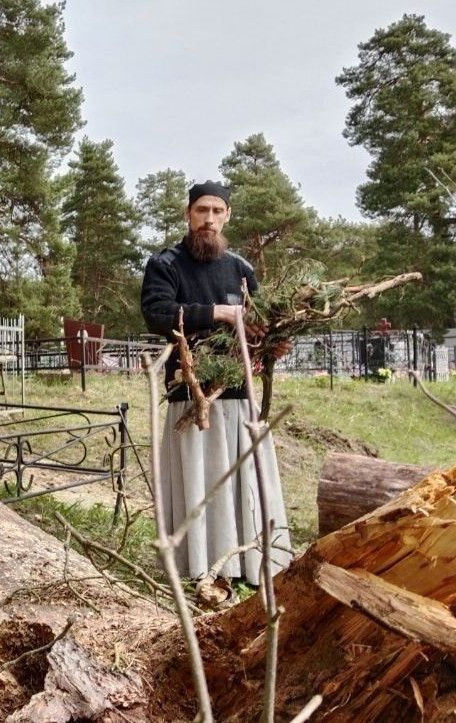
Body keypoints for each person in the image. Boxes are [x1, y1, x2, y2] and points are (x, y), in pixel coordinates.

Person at [140, 180, 291, 587]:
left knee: (244, 479)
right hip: (190, 396)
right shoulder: (165, 264)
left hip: (239, 393)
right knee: (198, 480)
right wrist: (217, 313)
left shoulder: (241, 268)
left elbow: (260, 323)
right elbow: (156, 313)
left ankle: (251, 564)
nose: (209, 219)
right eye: (201, 210)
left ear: (228, 217)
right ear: (188, 214)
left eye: (217, 211)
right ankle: (200, 566)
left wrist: (272, 344)